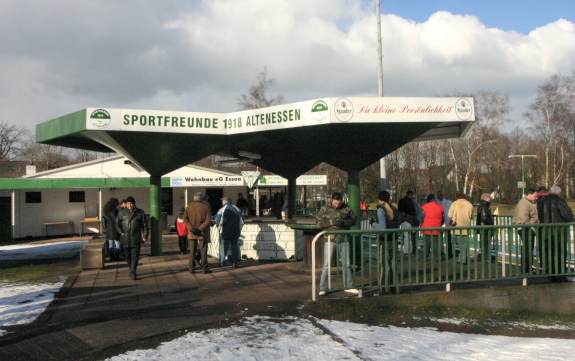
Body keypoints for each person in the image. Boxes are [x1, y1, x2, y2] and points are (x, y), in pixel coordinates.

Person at [316, 192, 357, 296]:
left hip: (344, 239)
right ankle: (323, 288)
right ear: (332, 200)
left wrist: (344, 223)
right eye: (335, 200)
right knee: (326, 265)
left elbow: (353, 220)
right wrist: (331, 223)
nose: (337, 202)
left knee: (346, 264)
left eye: (339, 200)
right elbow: (318, 223)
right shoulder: (324, 209)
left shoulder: (346, 208)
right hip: (330, 239)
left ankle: (349, 286)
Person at [537, 185, 574, 281]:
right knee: (560, 254)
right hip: (559, 233)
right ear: (558, 193)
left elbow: (539, 216)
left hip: (546, 232)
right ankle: (560, 276)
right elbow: (568, 215)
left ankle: (551, 275)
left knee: (549, 253)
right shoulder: (559, 201)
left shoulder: (541, 202)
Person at [115, 196, 149, 280]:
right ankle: (131, 269)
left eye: (131, 203)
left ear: (134, 204)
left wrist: (145, 235)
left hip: (135, 238)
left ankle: (133, 272)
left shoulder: (140, 212)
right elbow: (117, 224)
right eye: (128, 203)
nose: (129, 205)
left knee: (135, 256)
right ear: (126, 204)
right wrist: (121, 232)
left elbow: (145, 225)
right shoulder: (121, 212)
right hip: (125, 238)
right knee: (127, 256)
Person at [512, 188, 539, 275]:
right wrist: (531, 226)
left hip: (526, 228)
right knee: (527, 249)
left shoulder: (527, 202)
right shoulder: (524, 203)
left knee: (528, 248)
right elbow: (523, 218)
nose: (536, 198)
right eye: (535, 196)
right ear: (529, 194)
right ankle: (526, 269)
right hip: (526, 228)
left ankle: (527, 268)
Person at [184, 192, 212, 274]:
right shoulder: (206, 206)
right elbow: (208, 220)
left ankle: (191, 268)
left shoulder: (189, 206)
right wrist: (199, 229)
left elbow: (185, 219)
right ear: (201, 198)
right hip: (202, 232)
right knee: (203, 250)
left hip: (192, 232)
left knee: (192, 250)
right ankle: (204, 268)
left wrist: (191, 228)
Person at [215, 197, 244, 268]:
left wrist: (218, 225)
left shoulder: (222, 209)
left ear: (225, 202)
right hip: (235, 231)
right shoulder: (237, 209)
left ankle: (222, 262)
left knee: (223, 247)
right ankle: (235, 263)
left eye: (222, 201)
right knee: (234, 247)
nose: (222, 202)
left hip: (225, 232)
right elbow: (242, 220)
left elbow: (217, 220)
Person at [448, 194, 474, 263]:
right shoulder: (470, 204)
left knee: (457, 244)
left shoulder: (454, 203)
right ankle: (463, 259)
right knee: (464, 244)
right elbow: (471, 217)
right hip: (466, 227)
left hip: (455, 228)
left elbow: (449, 215)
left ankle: (461, 259)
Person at [476, 193, 495, 259]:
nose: (490, 199)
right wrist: (491, 222)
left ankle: (484, 256)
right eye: (489, 198)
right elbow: (484, 217)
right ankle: (485, 256)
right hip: (485, 226)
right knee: (485, 242)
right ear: (486, 198)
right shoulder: (484, 206)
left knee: (485, 242)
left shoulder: (483, 205)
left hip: (484, 226)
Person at [437, 192, 454, 257]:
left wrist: (451, 220)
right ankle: (441, 252)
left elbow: (453, 211)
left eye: (440, 195)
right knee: (440, 239)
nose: (440, 196)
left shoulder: (448, 202)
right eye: (439, 195)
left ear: (443, 195)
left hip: (447, 223)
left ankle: (449, 253)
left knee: (448, 239)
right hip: (439, 223)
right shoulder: (436, 202)